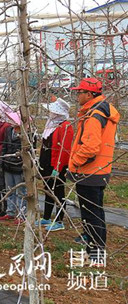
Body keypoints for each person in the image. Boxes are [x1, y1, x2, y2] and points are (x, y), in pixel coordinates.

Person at [68, 78, 119, 265]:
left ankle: (95, 255)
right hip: (99, 170)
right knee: (96, 213)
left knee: (91, 215)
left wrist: (75, 162)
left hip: (89, 172)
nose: (77, 96)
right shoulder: (102, 112)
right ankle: (95, 249)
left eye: (80, 92)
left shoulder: (94, 115)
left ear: (89, 94)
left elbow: (90, 147)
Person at [37, 98, 73, 232]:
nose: (50, 113)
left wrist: (58, 167)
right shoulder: (51, 124)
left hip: (57, 166)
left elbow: (65, 149)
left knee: (58, 192)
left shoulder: (65, 126)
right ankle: (46, 216)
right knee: (47, 190)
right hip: (46, 163)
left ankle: (59, 220)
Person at [0, 107, 26, 225]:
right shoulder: (9, 130)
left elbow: (28, 152)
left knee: (21, 192)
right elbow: (4, 147)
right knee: (10, 190)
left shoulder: (26, 133)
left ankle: (22, 214)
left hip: (19, 167)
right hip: (8, 165)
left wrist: (25, 167)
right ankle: (10, 211)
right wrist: (1, 162)